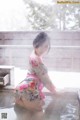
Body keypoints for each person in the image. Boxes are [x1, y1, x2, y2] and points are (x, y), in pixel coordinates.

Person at [14, 32, 57, 111]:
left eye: (46, 46)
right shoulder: (37, 60)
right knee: (39, 115)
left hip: (20, 89)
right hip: (29, 92)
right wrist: (56, 93)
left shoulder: (33, 54)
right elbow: (46, 81)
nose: (43, 49)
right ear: (35, 45)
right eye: (41, 46)